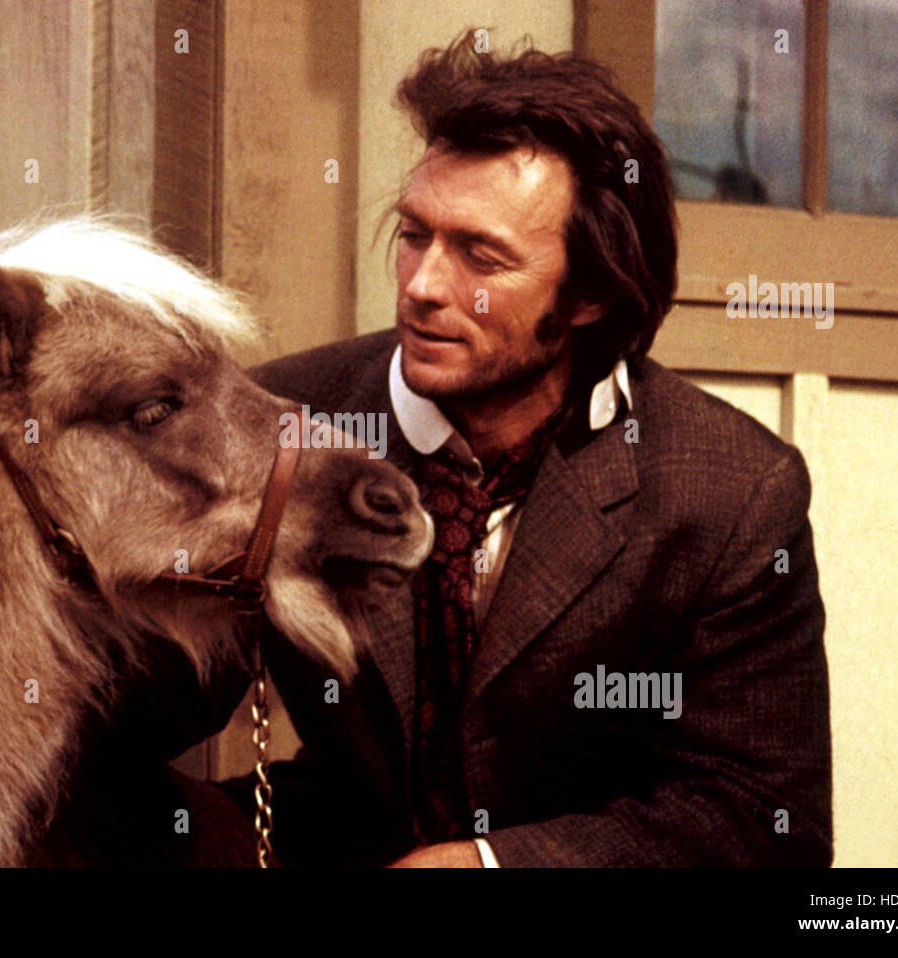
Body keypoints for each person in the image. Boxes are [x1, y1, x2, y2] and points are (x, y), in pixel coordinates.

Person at [231, 32, 832, 867]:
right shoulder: (284, 422)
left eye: (480, 254)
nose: (422, 285)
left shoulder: (729, 495)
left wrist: (492, 868)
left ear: (588, 293)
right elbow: (136, 700)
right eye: (414, 234)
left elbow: (761, 819)